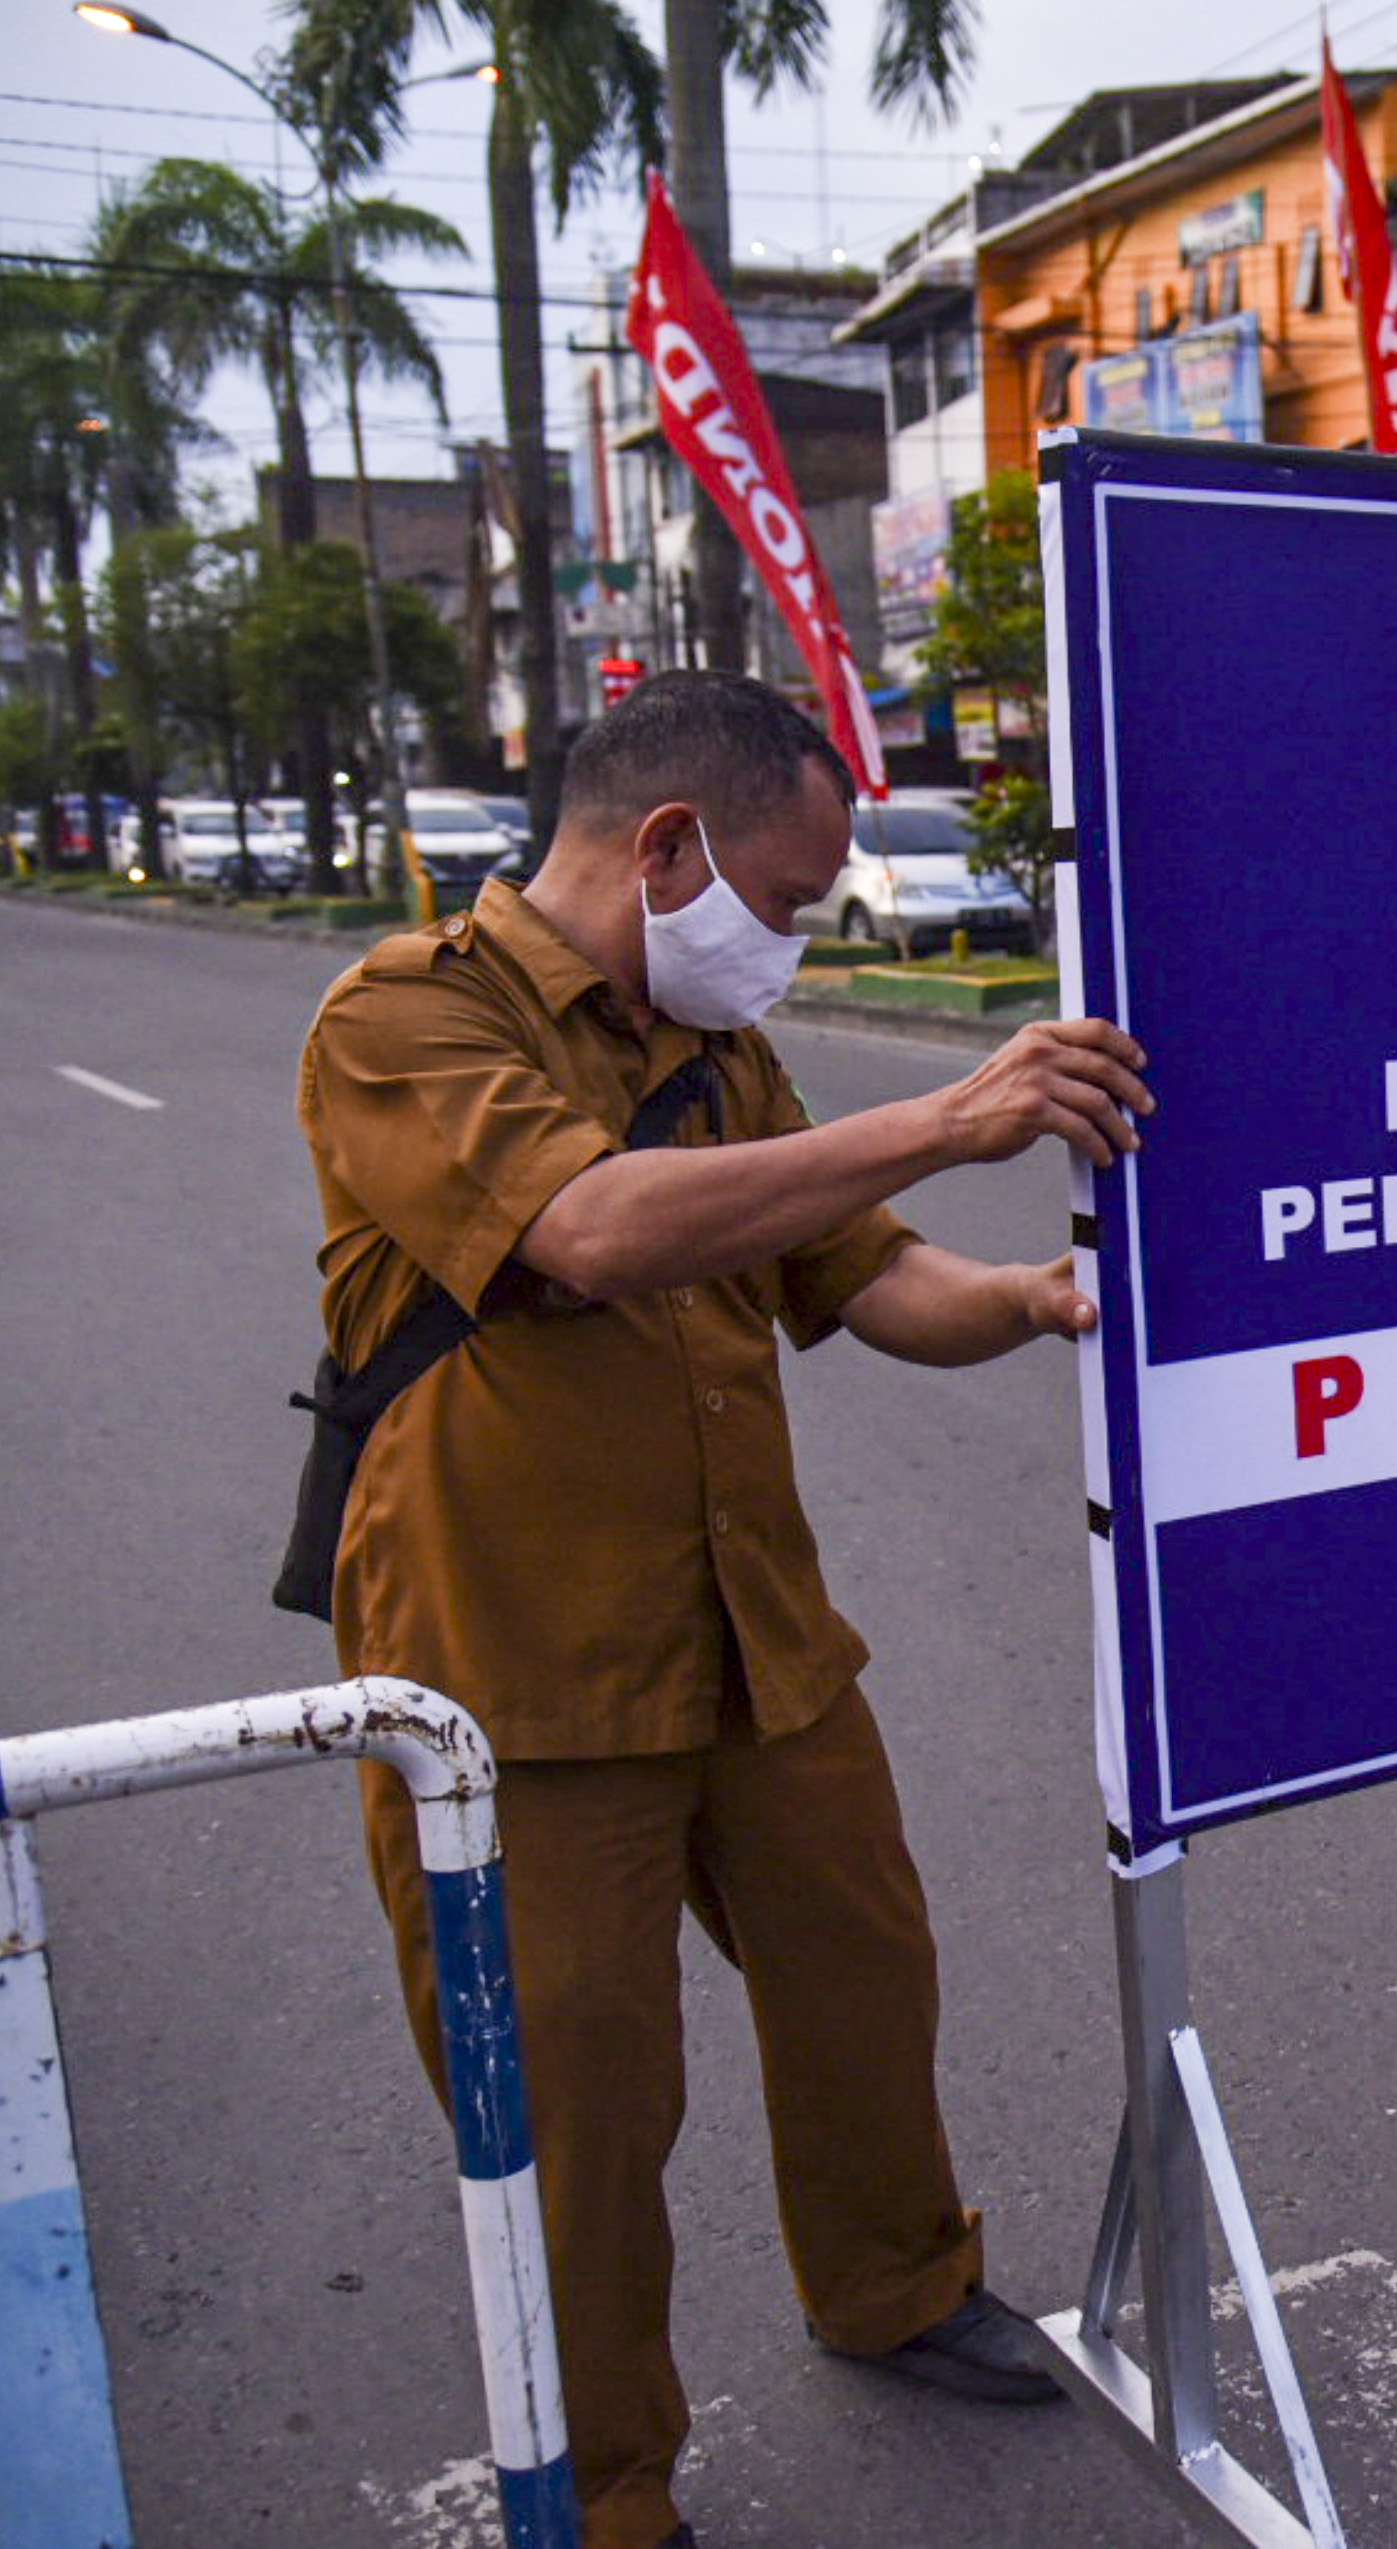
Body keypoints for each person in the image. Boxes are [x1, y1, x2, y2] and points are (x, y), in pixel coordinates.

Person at [296, 671, 1156, 2549]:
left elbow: (862, 1272)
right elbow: (592, 1230)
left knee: (865, 1968)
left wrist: (1032, 1302)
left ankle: (895, 2281)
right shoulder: (404, 1015)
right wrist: (948, 1110)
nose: (795, 936)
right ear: (669, 846)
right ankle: (607, 2487)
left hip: (753, 1634)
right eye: (787, 895)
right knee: (579, 2104)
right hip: (512, 1671)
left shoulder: (713, 1046)